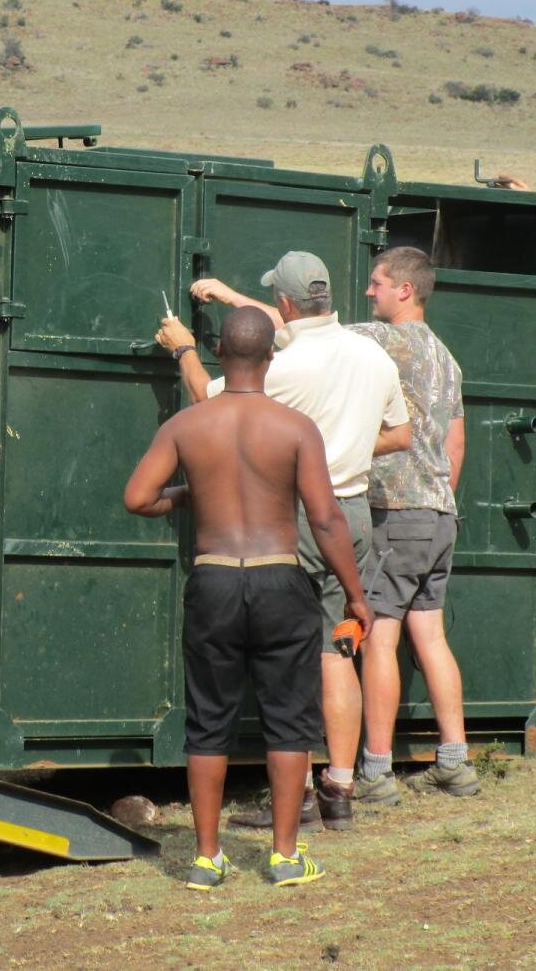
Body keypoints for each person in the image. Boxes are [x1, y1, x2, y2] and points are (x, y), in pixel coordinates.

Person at [157, 251, 410, 831]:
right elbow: (400, 434)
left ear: (288, 305)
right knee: (335, 652)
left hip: (295, 516)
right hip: (354, 514)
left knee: (287, 663)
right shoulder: (372, 355)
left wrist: (182, 349)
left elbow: (210, 401)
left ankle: (290, 802)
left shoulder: (290, 366)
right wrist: (338, 453)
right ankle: (340, 788)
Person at [125, 307, 373, 889]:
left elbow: (138, 497)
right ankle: (285, 857)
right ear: (269, 358)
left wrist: (187, 496)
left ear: (220, 355)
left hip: (213, 579)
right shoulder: (294, 427)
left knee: (209, 720)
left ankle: (208, 858)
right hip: (279, 579)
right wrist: (357, 597)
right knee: (289, 720)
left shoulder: (187, 425)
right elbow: (326, 519)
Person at [349, 247, 479, 801]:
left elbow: (308, 332)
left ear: (406, 290)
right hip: (439, 514)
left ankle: (376, 772)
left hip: (398, 514)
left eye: (377, 283)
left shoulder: (388, 340)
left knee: (380, 636)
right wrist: (437, 496)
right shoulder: (447, 357)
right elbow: (456, 443)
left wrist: (235, 300)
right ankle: (455, 761)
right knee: (430, 633)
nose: (369, 291)